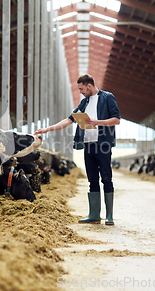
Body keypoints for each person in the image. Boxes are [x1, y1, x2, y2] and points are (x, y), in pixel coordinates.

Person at [34, 74, 120, 225]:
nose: (80, 92)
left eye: (81, 88)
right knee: (92, 179)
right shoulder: (84, 103)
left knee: (106, 178)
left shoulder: (108, 97)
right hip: (88, 145)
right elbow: (68, 120)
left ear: (89, 85)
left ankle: (109, 216)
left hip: (103, 145)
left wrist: (97, 122)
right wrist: (47, 129)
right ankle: (94, 215)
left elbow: (116, 119)